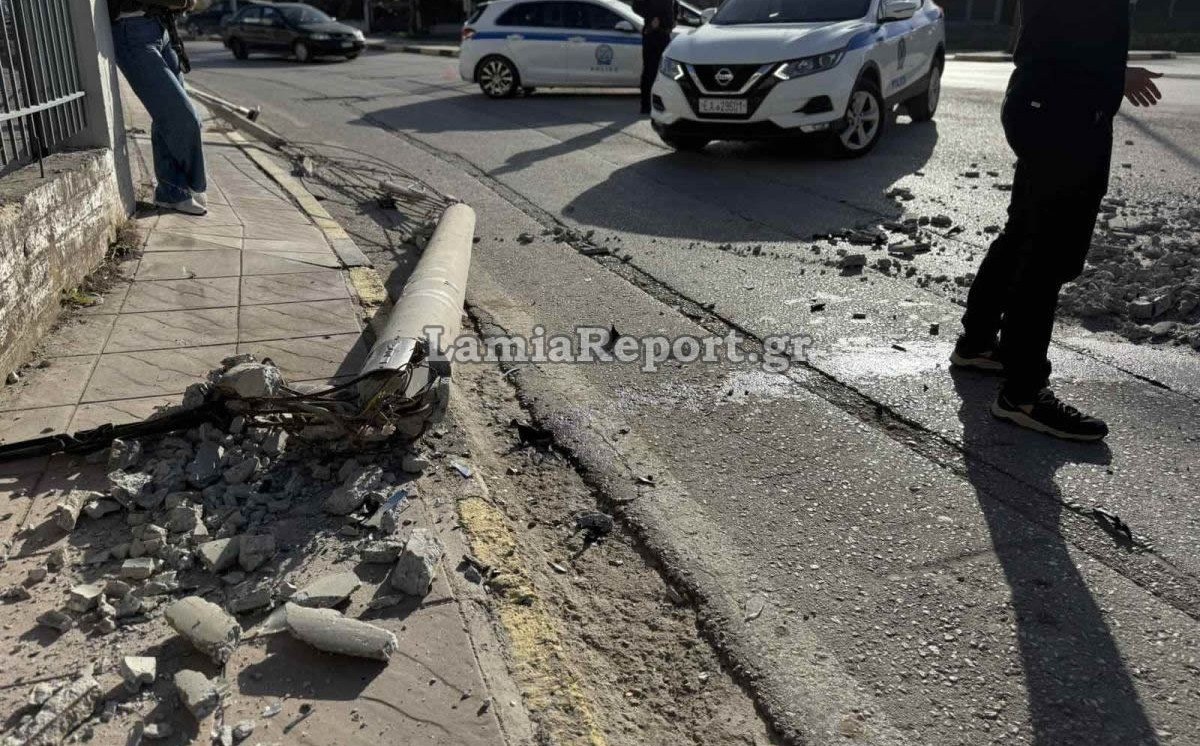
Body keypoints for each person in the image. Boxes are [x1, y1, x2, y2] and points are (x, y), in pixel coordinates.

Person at [951, 0, 1162, 442]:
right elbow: (1062, 39)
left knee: (1024, 235)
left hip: (1049, 108)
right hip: (1062, 114)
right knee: (1047, 255)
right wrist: (1114, 76)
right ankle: (1023, 394)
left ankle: (978, 343)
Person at [110, 0, 208, 216]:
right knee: (184, 118)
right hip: (131, 32)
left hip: (161, 27)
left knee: (165, 118)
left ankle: (172, 192)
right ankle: (196, 183)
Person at [632, 0, 675, 115]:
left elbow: (674, 6)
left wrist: (673, 19)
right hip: (653, 34)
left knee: (666, 72)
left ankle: (662, 104)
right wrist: (651, 17)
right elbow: (636, 6)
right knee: (650, 72)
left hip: (665, 35)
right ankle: (646, 106)